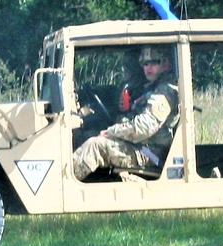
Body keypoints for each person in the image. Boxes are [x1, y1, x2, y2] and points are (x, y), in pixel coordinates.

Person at [72, 45, 179, 181]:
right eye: (145, 63)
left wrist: (111, 131)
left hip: (151, 154)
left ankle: (61, 187)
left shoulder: (165, 92)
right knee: (87, 136)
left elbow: (143, 128)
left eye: (154, 62)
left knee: (95, 146)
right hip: (141, 146)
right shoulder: (151, 88)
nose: (148, 67)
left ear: (166, 64)